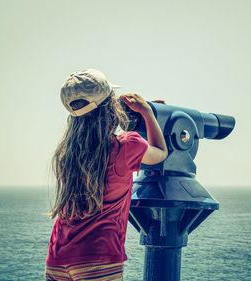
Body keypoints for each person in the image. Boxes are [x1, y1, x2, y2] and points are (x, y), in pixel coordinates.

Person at [45, 69, 168, 281]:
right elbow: (160, 152)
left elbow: (92, 117)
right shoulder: (126, 146)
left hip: (58, 260)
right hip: (98, 259)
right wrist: (147, 112)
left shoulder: (67, 153)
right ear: (111, 107)